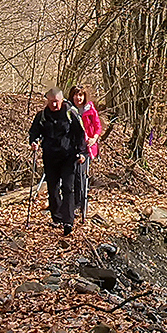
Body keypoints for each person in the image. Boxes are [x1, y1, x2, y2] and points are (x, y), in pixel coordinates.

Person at [28, 90, 88, 231]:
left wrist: (81, 153)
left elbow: (80, 134)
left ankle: (68, 221)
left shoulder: (70, 114)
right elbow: (34, 132)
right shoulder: (42, 116)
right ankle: (57, 217)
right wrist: (34, 142)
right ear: (47, 101)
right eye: (51, 101)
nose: (54, 104)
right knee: (52, 189)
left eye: (57, 101)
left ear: (62, 100)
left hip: (68, 156)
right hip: (50, 157)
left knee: (68, 188)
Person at [71, 85, 108, 227]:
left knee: (81, 175)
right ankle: (72, 203)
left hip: (86, 147)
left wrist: (94, 138)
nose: (78, 98)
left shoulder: (90, 110)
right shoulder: (69, 110)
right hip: (71, 147)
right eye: (76, 95)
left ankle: (81, 203)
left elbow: (98, 127)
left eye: (80, 95)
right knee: (72, 175)